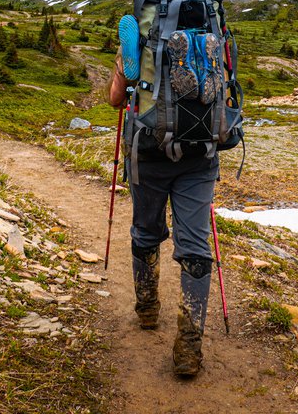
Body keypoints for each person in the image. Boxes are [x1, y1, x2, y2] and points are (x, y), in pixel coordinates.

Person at [107, 53, 219, 378]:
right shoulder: (213, 22)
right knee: (196, 246)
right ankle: (189, 347)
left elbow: (116, 99)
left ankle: (147, 309)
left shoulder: (139, 29)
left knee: (145, 231)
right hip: (201, 150)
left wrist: (123, 68)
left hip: (147, 150)